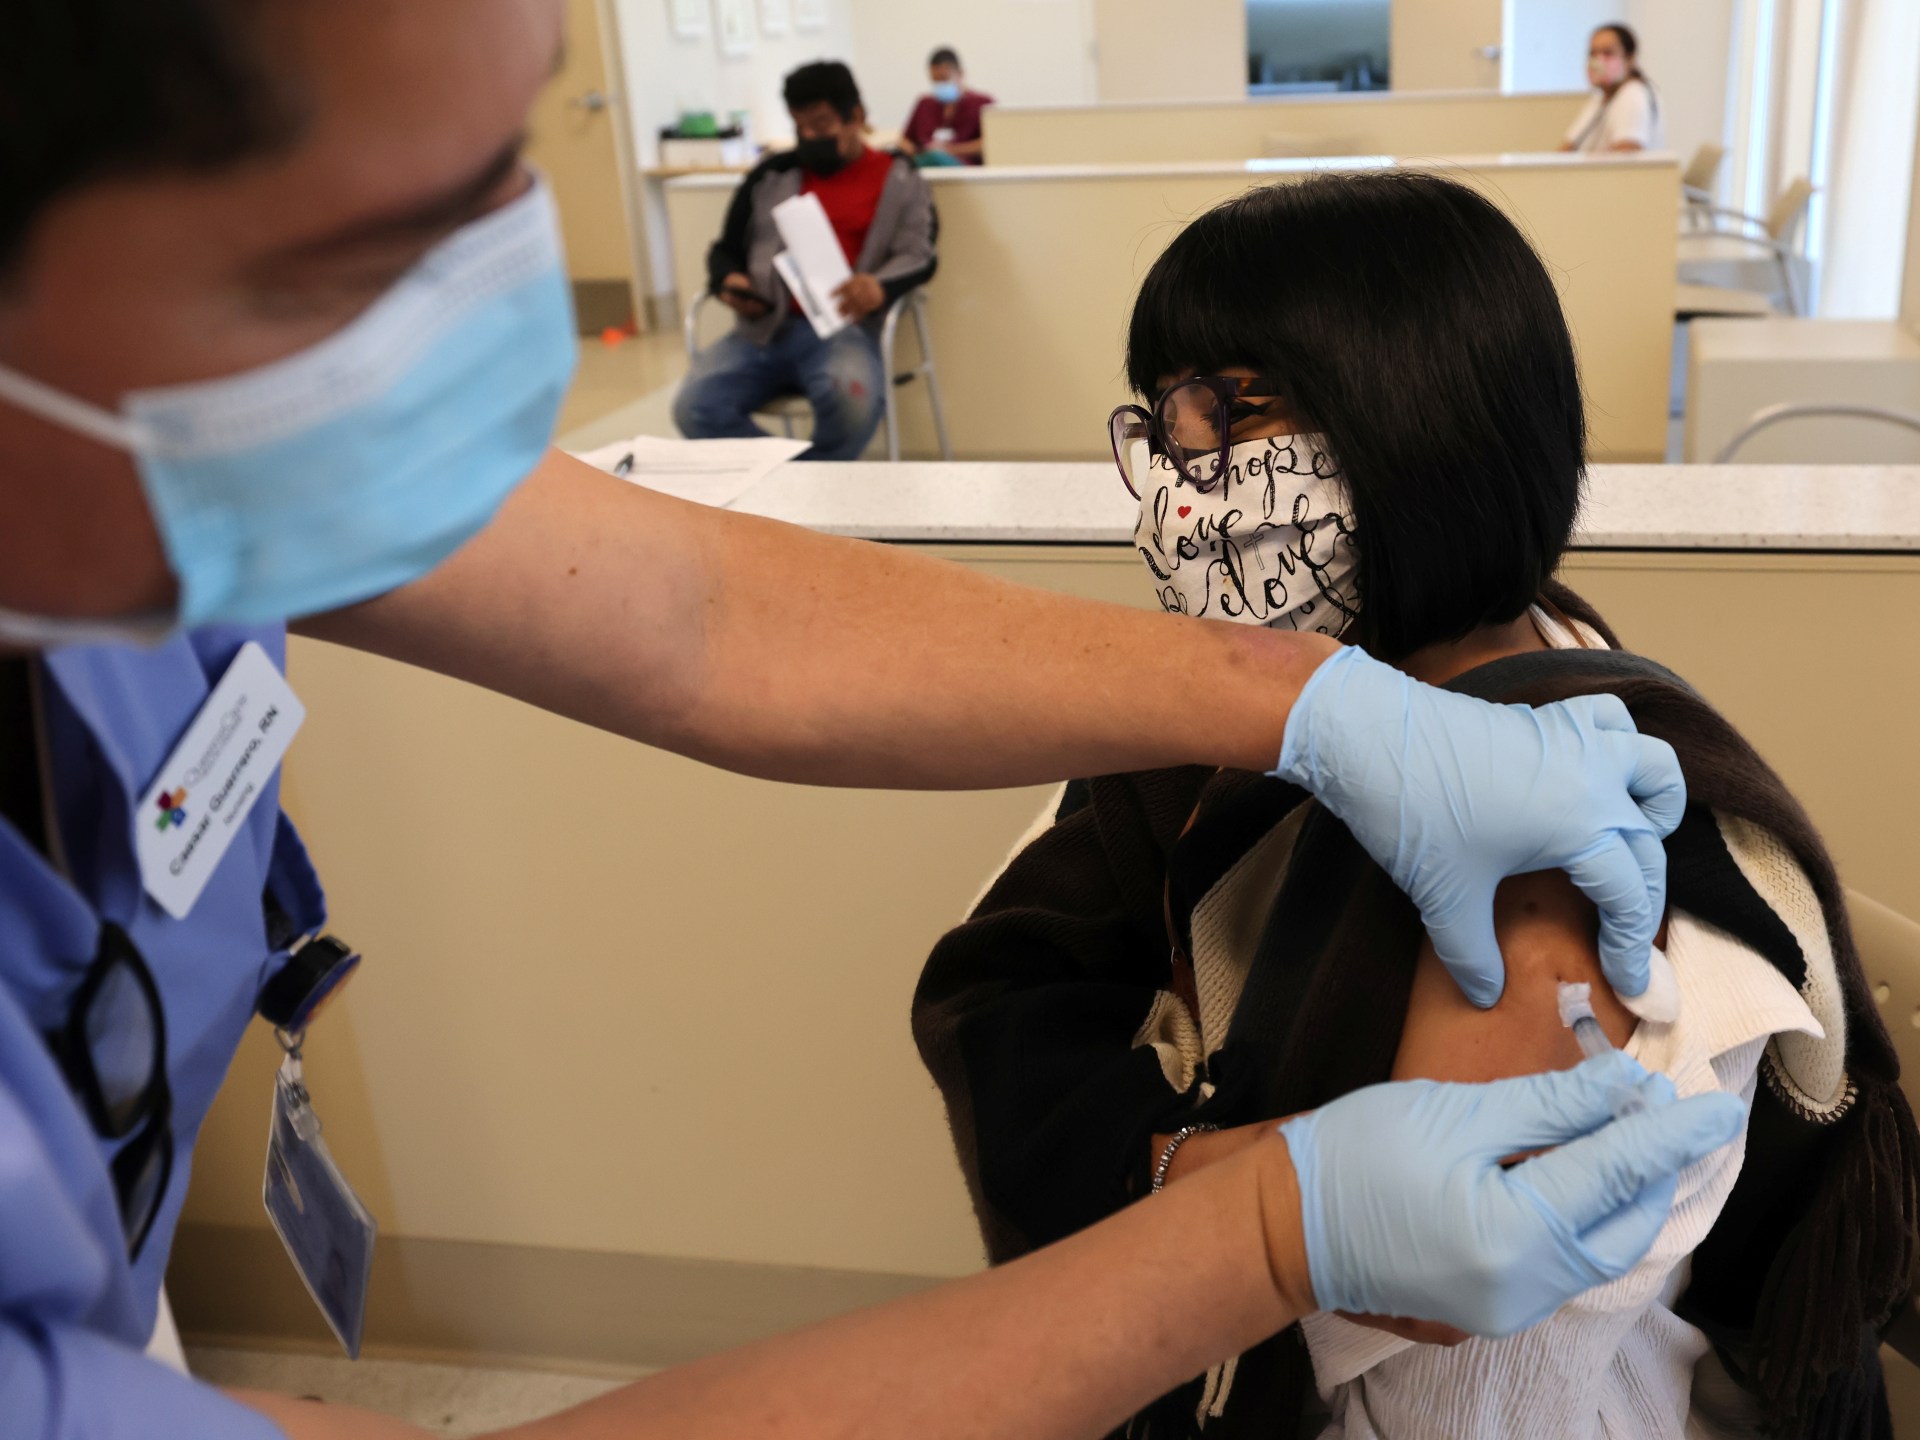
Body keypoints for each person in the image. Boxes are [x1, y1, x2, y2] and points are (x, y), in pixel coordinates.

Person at [0, 2, 1724, 1436]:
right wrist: (1267, 1235)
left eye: (506, 150)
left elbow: (697, 615)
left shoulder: (192, 434)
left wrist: (1306, 703)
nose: (505, 275)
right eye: (380, 232)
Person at [914, 173, 1917, 1439]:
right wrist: (1208, 1176)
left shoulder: (1575, 884)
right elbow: (1008, 984)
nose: (1176, 475)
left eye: (1231, 408)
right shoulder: (1253, 708)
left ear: (1421, 414)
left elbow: (1458, 1398)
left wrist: (1175, 1167)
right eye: (1166, 416)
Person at [672, 61, 933, 461]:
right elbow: (725, 249)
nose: (809, 136)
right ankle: (795, 479)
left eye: (821, 124)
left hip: (843, 329)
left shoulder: (899, 178)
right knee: (693, 407)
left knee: (851, 404)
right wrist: (730, 280)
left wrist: (879, 286)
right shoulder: (770, 175)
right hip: (763, 330)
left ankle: (796, 485)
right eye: (799, 126)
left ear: (855, 117)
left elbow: (921, 255)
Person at [1562, 22, 1662, 154]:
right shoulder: (1602, 98)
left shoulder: (1633, 94)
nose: (1598, 61)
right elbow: (1567, 149)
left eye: (1608, 53)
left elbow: (1626, 156)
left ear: (1630, 59)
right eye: (1592, 53)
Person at [899, 47, 994, 167]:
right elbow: (905, 140)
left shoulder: (982, 103)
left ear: (960, 74)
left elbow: (991, 142)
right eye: (935, 80)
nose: (940, 84)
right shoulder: (924, 104)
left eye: (944, 79)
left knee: (935, 159)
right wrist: (915, 151)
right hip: (923, 163)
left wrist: (949, 150)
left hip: (962, 167)